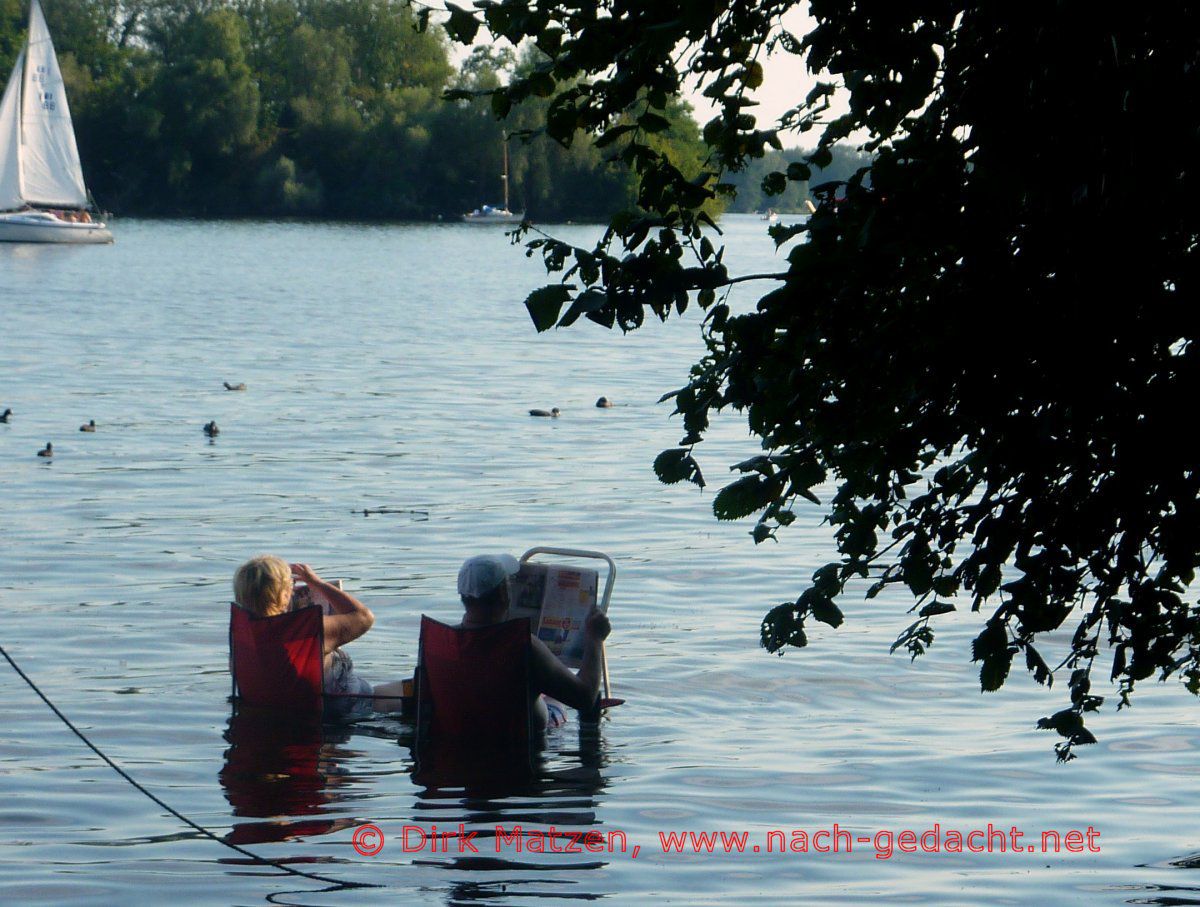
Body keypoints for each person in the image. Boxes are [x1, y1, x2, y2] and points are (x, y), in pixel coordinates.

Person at [455, 554, 611, 731]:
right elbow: (585, 698)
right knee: (555, 697)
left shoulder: (442, 642)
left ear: (463, 596)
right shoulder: (523, 646)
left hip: (464, 739)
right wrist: (595, 639)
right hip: (523, 745)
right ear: (503, 594)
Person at [232, 555, 406, 713]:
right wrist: (317, 583)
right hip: (338, 708)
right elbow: (364, 617)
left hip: (280, 711)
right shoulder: (308, 631)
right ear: (283, 595)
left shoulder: (243, 636)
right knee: (406, 691)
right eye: (290, 587)